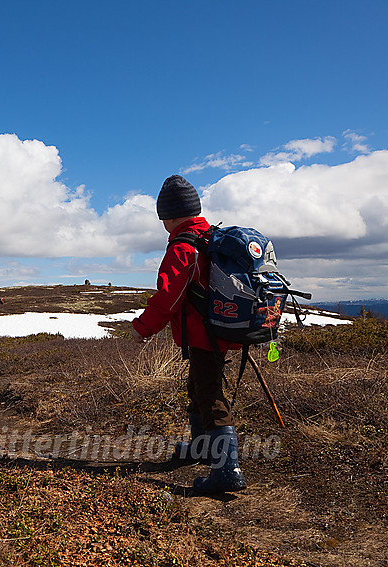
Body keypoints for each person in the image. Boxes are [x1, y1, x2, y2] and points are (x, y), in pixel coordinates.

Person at [131, 174, 246, 493]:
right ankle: (203, 449)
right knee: (198, 388)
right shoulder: (210, 237)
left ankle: (227, 470)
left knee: (210, 397)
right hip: (216, 331)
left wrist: (143, 328)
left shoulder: (184, 247)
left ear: (169, 216)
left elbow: (168, 297)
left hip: (203, 334)